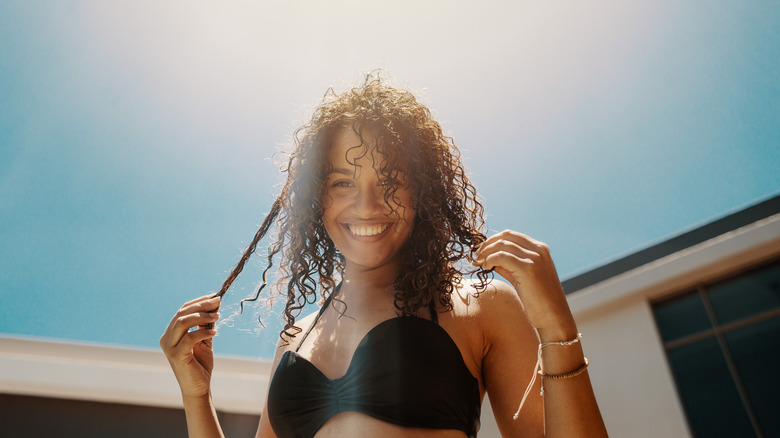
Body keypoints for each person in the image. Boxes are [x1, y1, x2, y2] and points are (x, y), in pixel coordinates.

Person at [160, 74, 608, 438]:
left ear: (423, 192)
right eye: (342, 183)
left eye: (390, 181)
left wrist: (556, 329)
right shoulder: (295, 339)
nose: (366, 205)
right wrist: (196, 397)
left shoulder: (481, 306)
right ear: (318, 199)